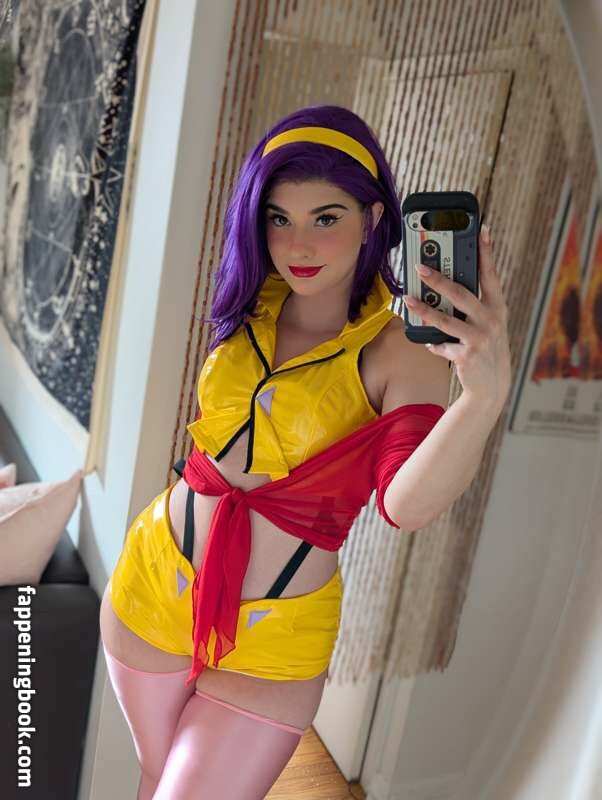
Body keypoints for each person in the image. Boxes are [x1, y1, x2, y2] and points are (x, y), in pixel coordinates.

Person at [99, 104, 510, 799]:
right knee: (154, 777)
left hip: (276, 637)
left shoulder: (398, 351)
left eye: (326, 217)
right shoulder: (249, 303)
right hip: (152, 585)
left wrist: (482, 397)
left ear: (373, 219)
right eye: (279, 218)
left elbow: (406, 504)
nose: (299, 244)